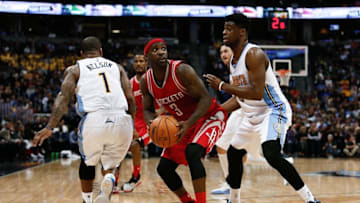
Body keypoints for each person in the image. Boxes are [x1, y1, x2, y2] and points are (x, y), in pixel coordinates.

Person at [204, 14, 320, 203]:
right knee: (233, 152)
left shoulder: (253, 54)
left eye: (229, 28)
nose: (224, 32)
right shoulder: (234, 62)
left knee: (271, 154)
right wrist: (214, 112)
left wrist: (222, 86)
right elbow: (238, 98)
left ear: (242, 32)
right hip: (251, 114)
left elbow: (257, 92)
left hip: (273, 110)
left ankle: (310, 199)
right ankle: (234, 199)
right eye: (224, 28)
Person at [32, 36, 136, 203]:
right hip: (122, 119)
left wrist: (50, 127)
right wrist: (134, 126)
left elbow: (63, 98)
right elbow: (130, 98)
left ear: (81, 54)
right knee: (110, 164)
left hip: (95, 118)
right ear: (101, 52)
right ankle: (109, 180)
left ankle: (87, 200)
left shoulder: (75, 69)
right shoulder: (118, 67)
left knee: (87, 162)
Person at [140, 38, 227, 203]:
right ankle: (187, 201)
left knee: (193, 152)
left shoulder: (182, 70)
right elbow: (147, 109)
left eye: (163, 48)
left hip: (208, 116)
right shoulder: (146, 81)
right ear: (147, 59)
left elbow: (206, 99)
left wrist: (189, 123)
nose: (161, 52)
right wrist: (151, 123)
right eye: (155, 50)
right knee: (164, 168)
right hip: (182, 123)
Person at [211, 45, 246, 195]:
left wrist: (217, 110)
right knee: (221, 145)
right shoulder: (232, 69)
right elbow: (236, 97)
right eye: (221, 52)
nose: (223, 54)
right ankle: (229, 182)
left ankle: (286, 165)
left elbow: (242, 98)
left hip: (251, 111)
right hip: (240, 110)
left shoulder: (242, 66)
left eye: (226, 51)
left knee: (240, 152)